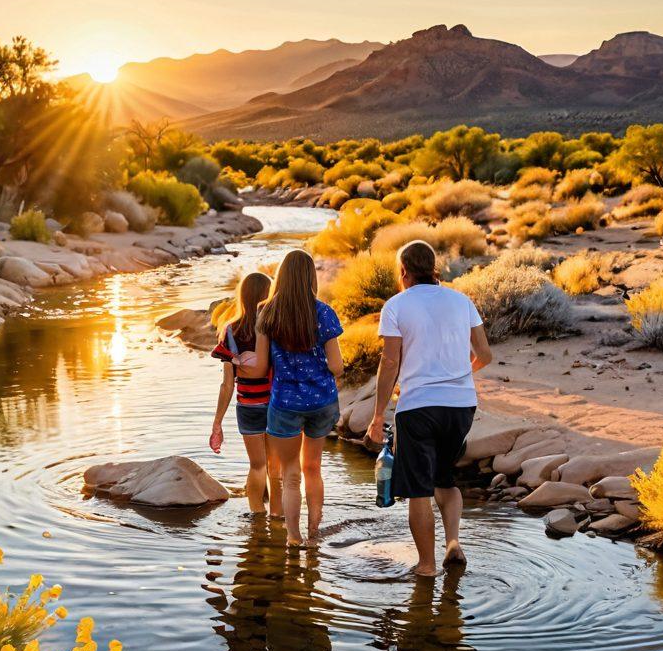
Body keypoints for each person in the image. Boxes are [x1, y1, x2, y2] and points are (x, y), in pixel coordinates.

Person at [366, 240, 492, 576]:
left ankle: (427, 566)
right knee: (445, 480)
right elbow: (485, 354)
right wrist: (461, 373)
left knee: (418, 490)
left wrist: (378, 414)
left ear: (403, 271)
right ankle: (453, 542)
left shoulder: (395, 306)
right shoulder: (461, 300)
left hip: (418, 407)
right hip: (461, 406)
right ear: (433, 268)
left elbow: (389, 361)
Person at [250, 249, 344, 547]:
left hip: (285, 403)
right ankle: (315, 534)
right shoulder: (324, 312)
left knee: (290, 475)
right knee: (313, 468)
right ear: (310, 277)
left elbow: (262, 367)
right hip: (321, 401)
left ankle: (293, 537)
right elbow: (337, 366)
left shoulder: (267, 312)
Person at [210, 272, 283, 516]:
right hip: (277, 405)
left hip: (248, 406)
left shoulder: (231, 331)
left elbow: (227, 385)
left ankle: (256, 516)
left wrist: (217, 422)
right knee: (276, 468)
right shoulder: (277, 326)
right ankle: (278, 516)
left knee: (257, 465)